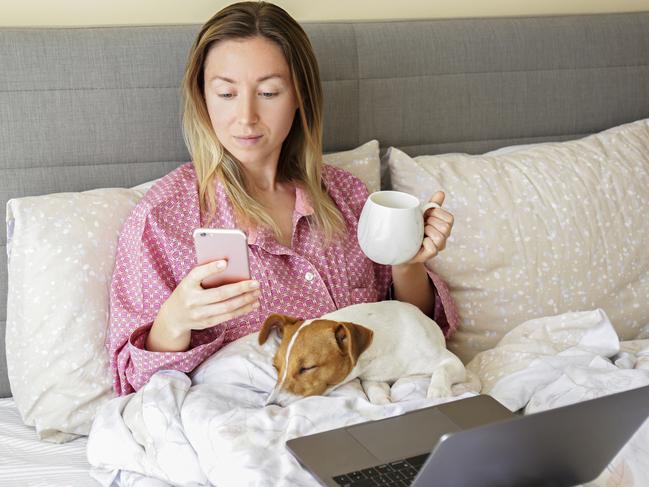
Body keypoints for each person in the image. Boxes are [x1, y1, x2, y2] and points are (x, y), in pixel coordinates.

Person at [107, 1, 458, 396]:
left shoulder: (348, 197)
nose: (246, 116)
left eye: (269, 92)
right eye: (225, 93)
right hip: (251, 417)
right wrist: (174, 321)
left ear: (299, 96)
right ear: (202, 97)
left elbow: (412, 335)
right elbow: (135, 383)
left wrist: (408, 263)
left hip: (370, 410)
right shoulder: (163, 220)